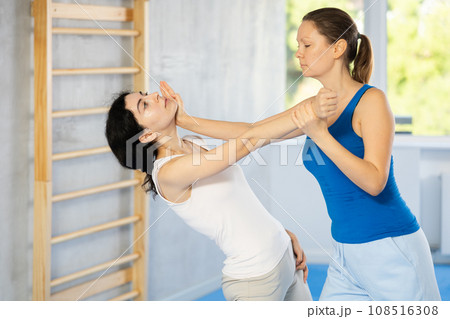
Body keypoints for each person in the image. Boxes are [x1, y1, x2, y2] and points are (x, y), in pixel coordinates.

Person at [174, 7, 441, 301]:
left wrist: (319, 134)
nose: (299, 54)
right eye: (298, 46)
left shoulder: (372, 101)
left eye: (307, 45)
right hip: (345, 253)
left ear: (338, 48)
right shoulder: (317, 105)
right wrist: (186, 120)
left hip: (391, 246)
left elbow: (375, 181)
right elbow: (253, 130)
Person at [105, 86, 313, 301]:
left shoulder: (194, 143)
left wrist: (281, 234)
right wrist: (314, 107)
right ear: (147, 134)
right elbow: (251, 139)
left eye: (146, 94)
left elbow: (259, 134)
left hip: (287, 256)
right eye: (144, 104)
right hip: (255, 280)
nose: (154, 95)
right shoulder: (168, 173)